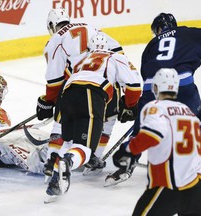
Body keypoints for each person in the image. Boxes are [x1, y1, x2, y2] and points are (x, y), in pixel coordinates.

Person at [107, 12, 201, 185]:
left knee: (142, 125)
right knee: (198, 115)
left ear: (157, 29)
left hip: (152, 87)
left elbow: (145, 74)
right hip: (182, 83)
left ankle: (128, 160)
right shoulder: (187, 33)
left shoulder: (150, 45)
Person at [36, 8, 136, 177]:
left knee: (61, 118)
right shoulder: (92, 27)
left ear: (52, 26)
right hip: (107, 85)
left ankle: (53, 159)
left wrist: (48, 101)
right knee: (108, 118)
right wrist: (127, 100)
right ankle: (95, 157)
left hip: (76, 86)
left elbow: (55, 80)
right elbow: (119, 54)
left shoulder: (55, 40)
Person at [44, 33, 142, 202]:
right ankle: (67, 163)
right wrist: (130, 105)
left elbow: (63, 79)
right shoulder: (115, 57)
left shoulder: (80, 59)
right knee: (85, 148)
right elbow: (134, 85)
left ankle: (55, 180)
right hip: (91, 94)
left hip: (67, 95)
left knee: (68, 142)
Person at [112, 68, 201, 215]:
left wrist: (128, 150)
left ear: (155, 87)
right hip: (197, 186)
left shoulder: (155, 107)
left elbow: (152, 134)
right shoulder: (189, 112)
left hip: (169, 184)